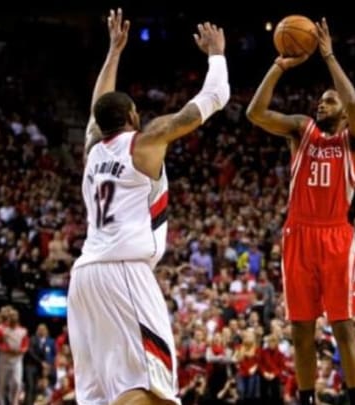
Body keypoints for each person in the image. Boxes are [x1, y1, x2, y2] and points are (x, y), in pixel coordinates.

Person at [66, 9, 229, 405]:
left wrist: (113, 52)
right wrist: (217, 55)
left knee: (104, 394)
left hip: (85, 277)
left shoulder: (92, 149)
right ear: (134, 116)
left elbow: (95, 109)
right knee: (152, 388)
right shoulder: (145, 141)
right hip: (124, 272)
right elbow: (214, 98)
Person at [246, 17, 355, 405]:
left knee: (342, 326)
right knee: (301, 329)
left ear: (344, 113)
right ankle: (306, 399)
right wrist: (278, 67)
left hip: (335, 234)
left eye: (329, 100)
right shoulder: (302, 130)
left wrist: (329, 56)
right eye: (321, 99)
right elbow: (255, 112)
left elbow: (352, 101)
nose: (322, 102)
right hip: (298, 233)